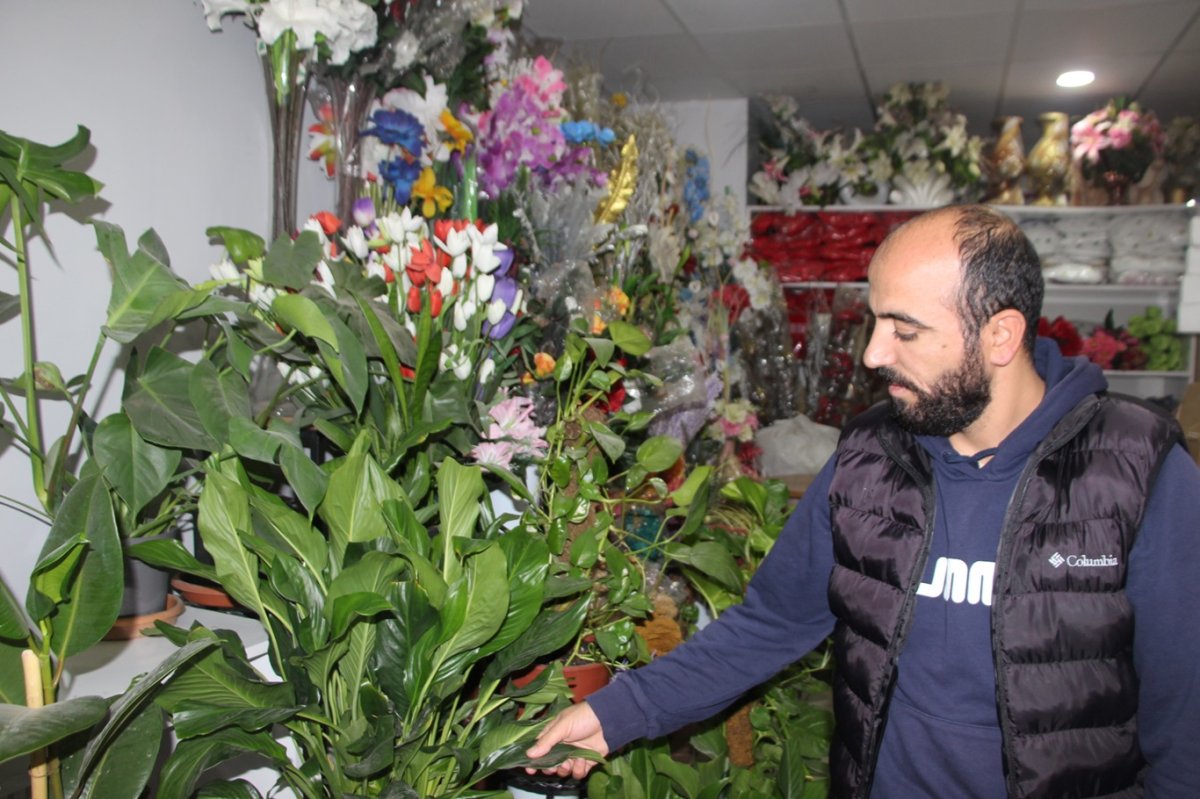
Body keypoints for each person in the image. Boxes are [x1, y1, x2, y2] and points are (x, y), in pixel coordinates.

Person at [526, 204, 1200, 798]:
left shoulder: (1136, 470)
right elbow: (769, 624)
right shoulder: (871, 456)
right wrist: (615, 714)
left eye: (904, 330)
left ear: (1000, 335)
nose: (875, 353)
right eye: (875, 321)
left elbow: (1187, 722)